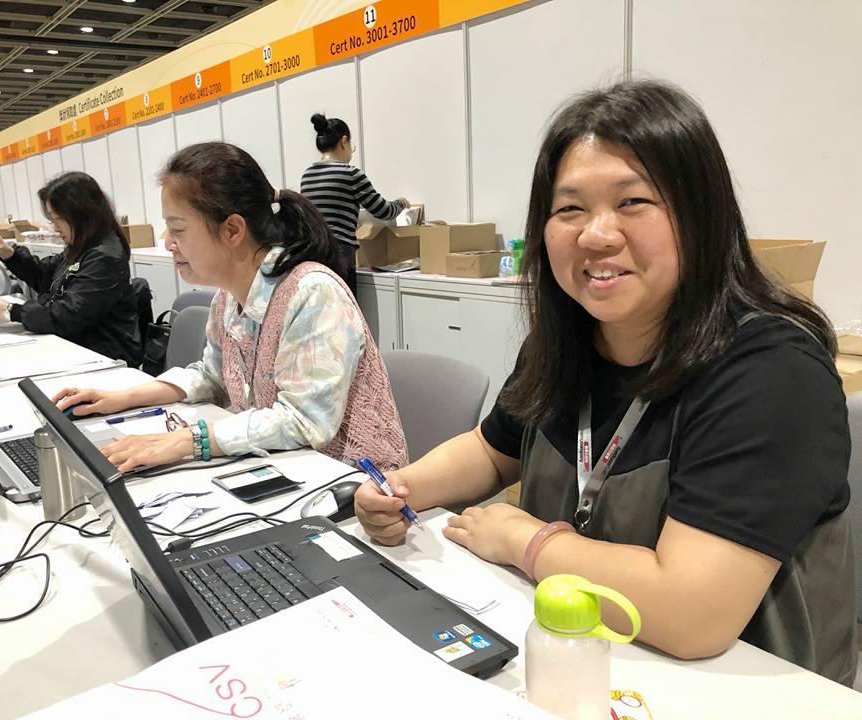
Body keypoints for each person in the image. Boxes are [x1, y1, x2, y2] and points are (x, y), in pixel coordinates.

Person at [354, 80, 856, 685]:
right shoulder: (568, 343)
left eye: (633, 201)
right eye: (569, 209)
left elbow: (692, 612)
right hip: (581, 659)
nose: (596, 234)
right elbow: (491, 451)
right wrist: (403, 487)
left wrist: (527, 542)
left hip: (734, 687)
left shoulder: (771, 372)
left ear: (701, 213)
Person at [52, 142, 407, 473]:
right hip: (284, 470)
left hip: (353, 486)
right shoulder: (228, 298)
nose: (168, 242)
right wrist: (122, 398)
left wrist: (187, 441)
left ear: (233, 230)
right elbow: (212, 376)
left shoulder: (313, 293)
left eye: (177, 229)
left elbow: (303, 421)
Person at [0, 172, 141, 366]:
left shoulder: (105, 256)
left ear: (80, 213)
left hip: (102, 356)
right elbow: (46, 274)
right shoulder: (82, 246)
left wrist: (12, 311)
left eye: (58, 219)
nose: (54, 228)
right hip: (77, 347)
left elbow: (69, 315)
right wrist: (10, 254)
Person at [301, 113, 409, 297]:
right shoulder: (350, 173)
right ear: (344, 141)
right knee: (344, 309)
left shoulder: (307, 175)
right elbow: (383, 211)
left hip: (312, 255)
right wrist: (401, 203)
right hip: (339, 254)